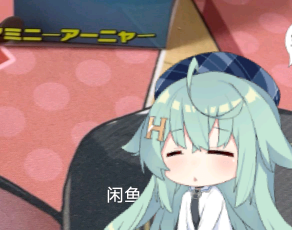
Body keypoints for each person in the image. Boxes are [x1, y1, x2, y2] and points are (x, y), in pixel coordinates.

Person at [108, 52, 292, 230]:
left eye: (218, 152)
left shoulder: (229, 200)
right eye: (175, 153)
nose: (195, 164)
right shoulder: (179, 196)